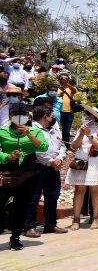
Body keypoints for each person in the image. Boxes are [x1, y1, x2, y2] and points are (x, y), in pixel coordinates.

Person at [0, 102, 48, 250]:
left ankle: (15, 238)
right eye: (16, 114)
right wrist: (8, 157)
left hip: (28, 173)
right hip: (7, 173)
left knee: (20, 207)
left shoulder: (35, 131)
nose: (20, 117)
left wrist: (29, 134)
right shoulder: (2, 131)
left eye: (23, 115)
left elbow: (43, 147)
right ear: (10, 116)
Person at [24, 105, 67, 237]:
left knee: (52, 197)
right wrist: (51, 161)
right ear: (45, 116)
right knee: (33, 198)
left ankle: (51, 224)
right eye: (51, 115)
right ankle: (29, 227)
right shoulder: (32, 129)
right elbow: (37, 150)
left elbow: (62, 146)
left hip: (54, 168)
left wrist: (59, 158)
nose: (53, 117)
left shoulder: (53, 130)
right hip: (38, 168)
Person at [65, 106, 98, 230]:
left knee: (95, 190)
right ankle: (76, 219)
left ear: (93, 117)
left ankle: (95, 218)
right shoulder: (82, 128)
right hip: (81, 162)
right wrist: (81, 134)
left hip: (96, 163)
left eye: (88, 115)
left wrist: (89, 135)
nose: (86, 117)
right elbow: (74, 147)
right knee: (79, 190)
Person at [57, 73, 78, 144]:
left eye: (66, 78)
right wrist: (62, 91)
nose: (64, 80)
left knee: (67, 130)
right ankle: (61, 143)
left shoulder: (70, 88)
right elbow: (58, 95)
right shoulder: (59, 88)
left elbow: (74, 91)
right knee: (60, 128)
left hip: (69, 112)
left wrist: (67, 84)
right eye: (63, 78)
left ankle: (65, 143)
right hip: (60, 111)